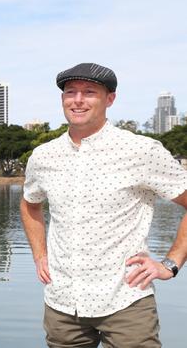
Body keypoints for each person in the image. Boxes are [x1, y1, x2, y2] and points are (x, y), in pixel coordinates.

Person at [20, 63, 187, 347]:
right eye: (70, 92)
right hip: (62, 304)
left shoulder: (141, 151)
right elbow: (29, 204)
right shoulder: (43, 156)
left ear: (110, 99)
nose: (78, 100)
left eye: (89, 92)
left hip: (126, 299)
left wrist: (171, 264)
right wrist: (39, 255)